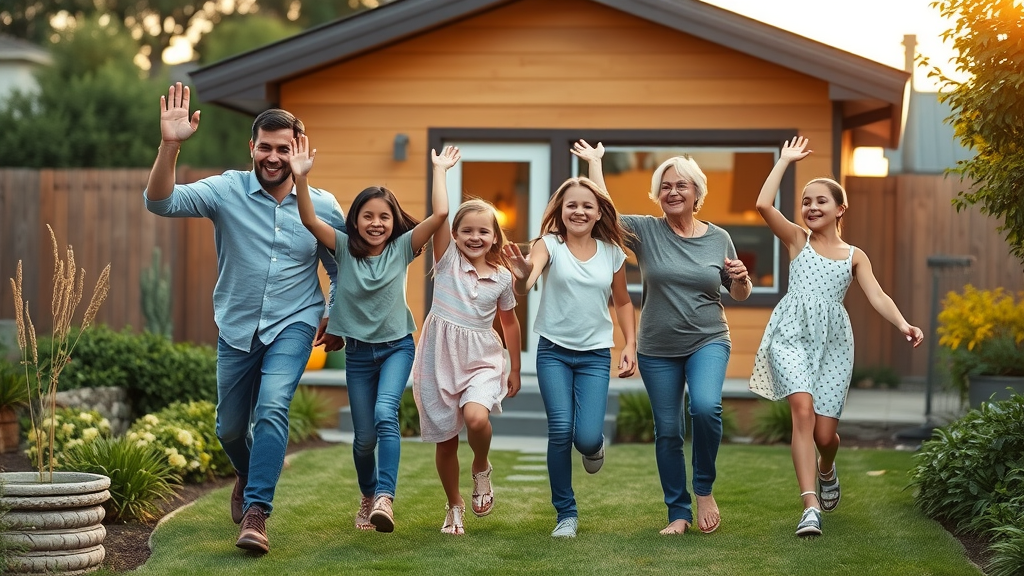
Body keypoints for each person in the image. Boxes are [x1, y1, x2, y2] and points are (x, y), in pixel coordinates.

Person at [144, 83, 345, 554]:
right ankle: (247, 470)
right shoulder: (226, 189)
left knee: (273, 407)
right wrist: (170, 145)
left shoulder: (324, 205)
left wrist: (334, 314)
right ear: (251, 147)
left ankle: (256, 513)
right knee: (229, 429)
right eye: (266, 147)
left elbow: (340, 270)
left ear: (299, 150)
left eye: (284, 149)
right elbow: (160, 202)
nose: (273, 157)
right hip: (236, 324)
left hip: (295, 321)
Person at [575, 139, 752, 536]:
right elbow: (604, 213)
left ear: (696, 193)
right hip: (658, 348)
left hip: (708, 338)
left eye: (681, 185)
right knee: (668, 430)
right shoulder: (646, 231)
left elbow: (738, 292)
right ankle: (678, 512)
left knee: (705, 408)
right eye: (665, 186)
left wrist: (742, 280)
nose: (672, 192)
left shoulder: (718, 238)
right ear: (658, 194)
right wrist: (596, 164)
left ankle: (703, 489)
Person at [749, 136, 923, 536]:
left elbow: (877, 295)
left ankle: (826, 466)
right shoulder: (798, 240)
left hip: (833, 345)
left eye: (821, 201)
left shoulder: (854, 256)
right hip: (791, 336)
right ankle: (810, 506)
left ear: (840, 208)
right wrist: (784, 160)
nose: (811, 207)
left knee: (825, 435)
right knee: (802, 412)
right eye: (806, 202)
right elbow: (763, 205)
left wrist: (903, 324)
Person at [291, 136, 454, 534]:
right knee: (364, 438)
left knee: (385, 414)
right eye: (368, 216)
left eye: (384, 216)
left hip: (397, 347)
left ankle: (385, 498)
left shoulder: (403, 248)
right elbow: (310, 220)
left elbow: (440, 214)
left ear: (394, 221)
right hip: (359, 355)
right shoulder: (343, 248)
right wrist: (300, 178)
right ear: (355, 220)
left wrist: (439, 171)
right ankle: (367, 495)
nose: (376, 223)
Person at [503, 174, 637, 539]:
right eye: (571, 205)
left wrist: (630, 344)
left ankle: (594, 446)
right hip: (554, 353)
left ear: (599, 213)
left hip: (595, 355)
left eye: (587, 206)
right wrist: (521, 275)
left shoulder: (612, 252)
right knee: (561, 430)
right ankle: (566, 513)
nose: (579, 211)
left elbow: (623, 301)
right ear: (560, 211)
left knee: (587, 438)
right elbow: (526, 283)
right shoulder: (548, 245)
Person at [412, 193, 523, 535]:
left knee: (476, 418)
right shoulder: (447, 261)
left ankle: (481, 465)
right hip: (439, 360)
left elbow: (510, 324)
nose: (475, 237)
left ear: (495, 236)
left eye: (483, 231)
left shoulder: (502, 278)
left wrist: (515, 368)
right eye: (467, 231)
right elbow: (441, 212)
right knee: (446, 441)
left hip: (482, 359)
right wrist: (439, 170)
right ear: (455, 235)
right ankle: (454, 504)